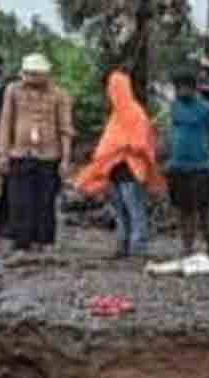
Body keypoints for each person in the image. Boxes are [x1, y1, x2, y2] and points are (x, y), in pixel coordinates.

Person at [74, 71, 166, 258]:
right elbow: (108, 143)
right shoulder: (116, 115)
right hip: (115, 172)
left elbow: (141, 142)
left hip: (131, 171)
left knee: (135, 210)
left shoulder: (135, 113)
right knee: (120, 211)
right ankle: (123, 245)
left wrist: (120, 146)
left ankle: (138, 247)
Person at [0, 53, 75, 252]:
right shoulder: (13, 91)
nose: (31, 78)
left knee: (45, 201)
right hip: (20, 153)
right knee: (19, 201)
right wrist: (3, 154)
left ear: (45, 75)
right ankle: (22, 243)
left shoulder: (60, 95)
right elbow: (5, 123)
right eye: (28, 74)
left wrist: (65, 159)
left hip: (49, 155)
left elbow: (65, 128)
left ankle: (43, 242)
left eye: (35, 74)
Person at [165, 68, 209, 257]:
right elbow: (172, 133)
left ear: (192, 88)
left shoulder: (206, 110)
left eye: (182, 88)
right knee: (184, 211)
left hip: (200, 168)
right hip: (177, 167)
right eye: (177, 88)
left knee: (204, 210)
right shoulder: (174, 107)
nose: (179, 91)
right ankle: (187, 248)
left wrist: (204, 150)